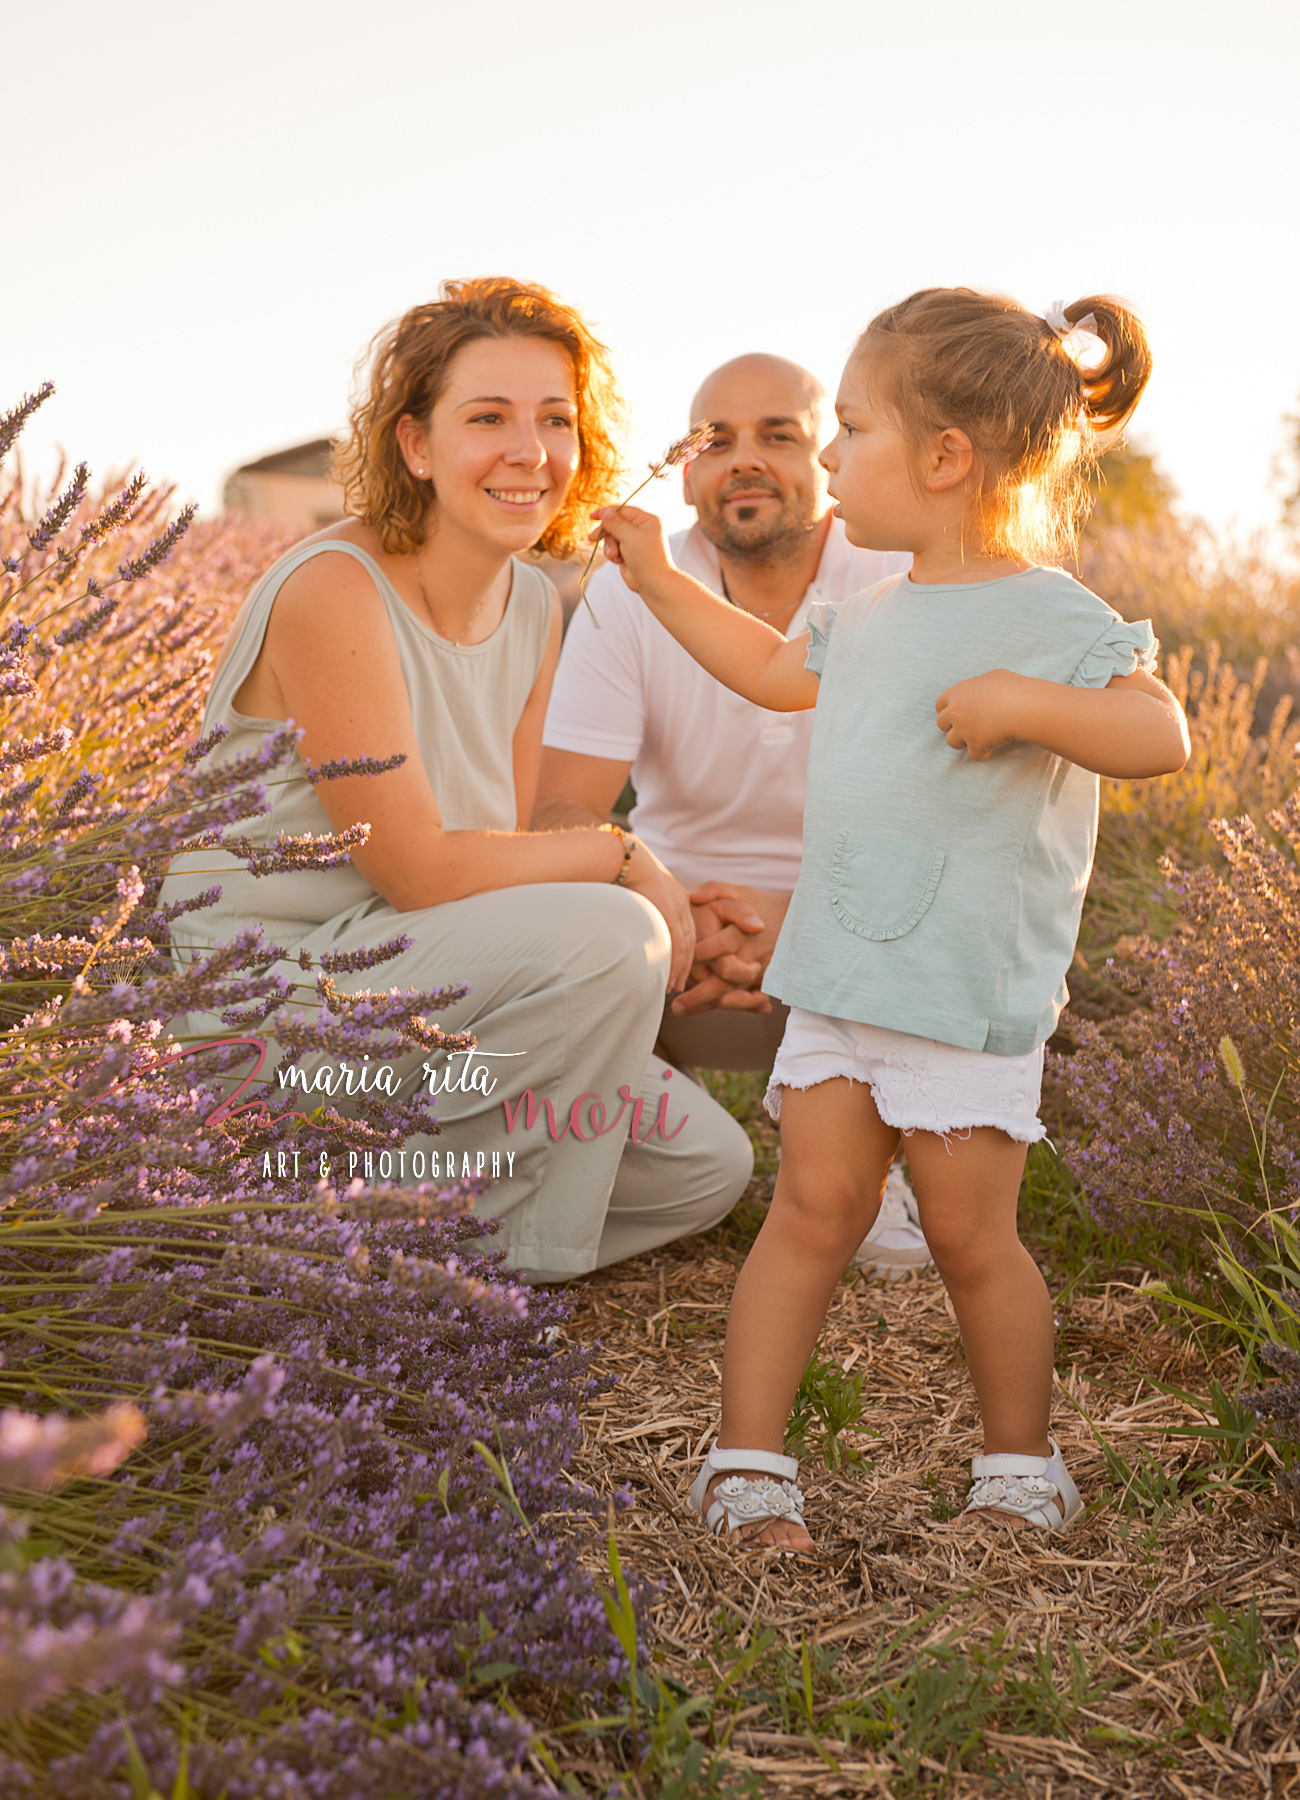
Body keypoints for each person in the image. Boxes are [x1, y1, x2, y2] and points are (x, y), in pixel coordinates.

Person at [590, 287, 1190, 1552]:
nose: (835, 458)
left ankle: (1020, 1469)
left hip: (960, 989)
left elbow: (1158, 732)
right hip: (842, 973)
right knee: (812, 1211)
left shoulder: (1048, 614)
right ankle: (746, 1466)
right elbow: (764, 670)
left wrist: (1032, 701)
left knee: (973, 1239)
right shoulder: (863, 614)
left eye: (849, 430)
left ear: (944, 458)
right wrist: (652, 579)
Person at [156, 277, 753, 1284]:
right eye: (488, 418)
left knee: (704, 1167)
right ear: (415, 446)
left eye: (554, 419)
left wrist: (675, 916)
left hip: (416, 1000)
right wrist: (622, 858)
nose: (530, 452)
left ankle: (327, 1218)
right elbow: (423, 874)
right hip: (279, 1007)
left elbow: (505, 847)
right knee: (613, 935)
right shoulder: (333, 588)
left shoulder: (531, 605)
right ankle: (489, 1275)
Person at [535, 353, 927, 1274]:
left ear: (826, 456)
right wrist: (663, 901)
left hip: (856, 939)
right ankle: (607, 1158)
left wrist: (809, 923)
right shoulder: (630, 590)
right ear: (685, 471)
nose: (744, 460)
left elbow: (941, 818)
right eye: (716, 442)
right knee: (583, 923)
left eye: (777, 435)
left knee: (944, 897)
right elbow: (558, 810)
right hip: (685, 944)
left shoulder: (899, 575)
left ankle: (872, 1172)